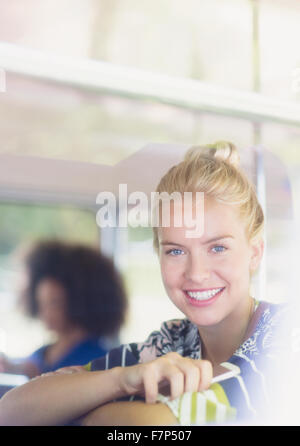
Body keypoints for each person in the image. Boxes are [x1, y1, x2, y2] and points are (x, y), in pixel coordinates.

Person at [0, 142, 286, 426]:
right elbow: (11, 412)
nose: (196, 273)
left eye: (218, 248)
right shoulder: (169, 343)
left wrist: (88, 413)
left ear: (255, 252)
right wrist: (122, 380)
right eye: (175, 251)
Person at [0, 240, 127, 378]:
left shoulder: (98, 360)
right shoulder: (45, 352)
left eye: (54, 303)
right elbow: (32, 367)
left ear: (80, 302)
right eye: (41, 303)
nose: (45, 312)